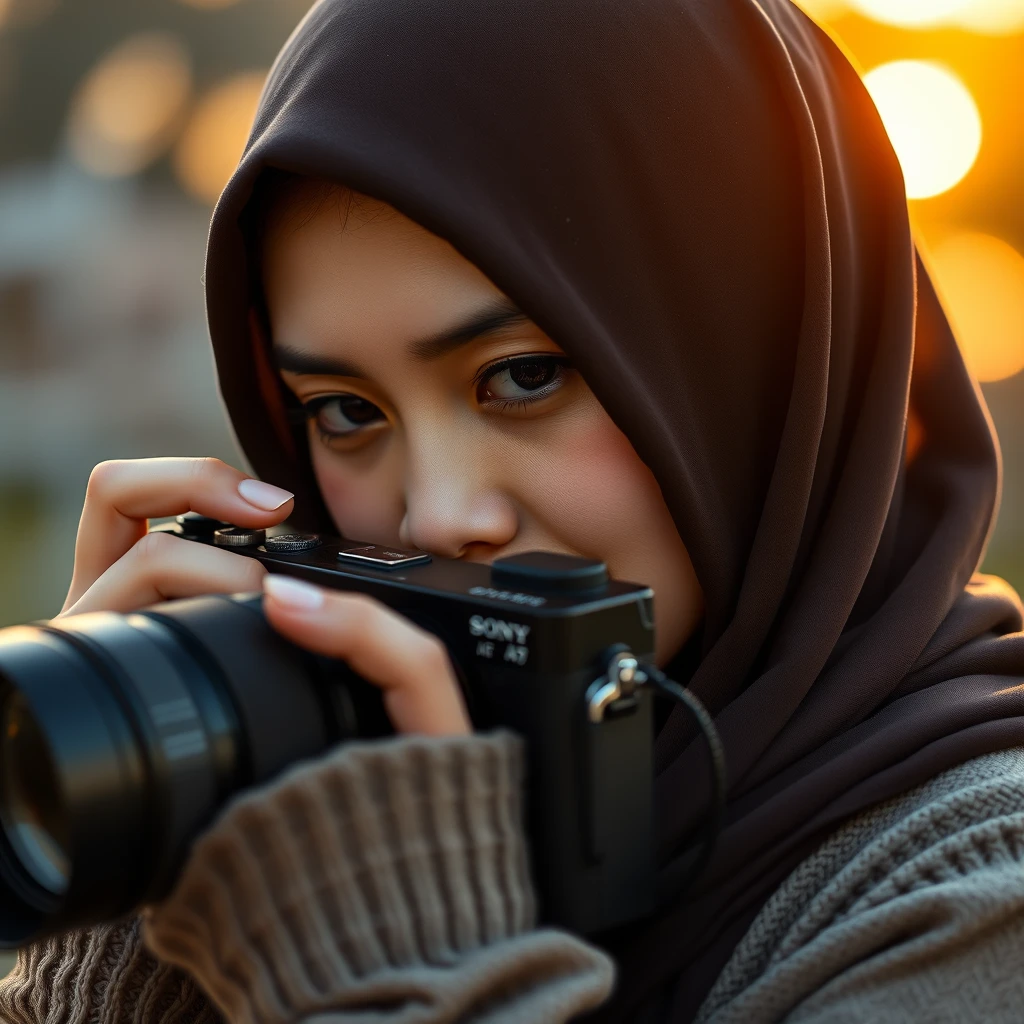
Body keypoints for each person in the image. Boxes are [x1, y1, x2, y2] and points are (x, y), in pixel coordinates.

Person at [5, 0, 1024, 1020]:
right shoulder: (320, 823)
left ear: (759, 372)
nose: (439, 516)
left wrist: (378, 961)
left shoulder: (975, 902)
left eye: (525, 376)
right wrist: (128, 858)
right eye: (346, 411)